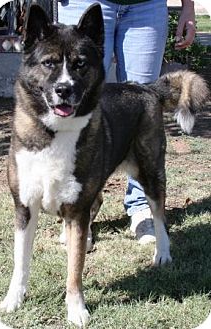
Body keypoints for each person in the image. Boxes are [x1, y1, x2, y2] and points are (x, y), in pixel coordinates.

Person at [58, 0, 196, 244]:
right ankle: (81, 208)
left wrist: (188, 6)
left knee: (142, 112)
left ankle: (141, 207)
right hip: (84, 3)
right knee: (79, 108)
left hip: (146, 7)